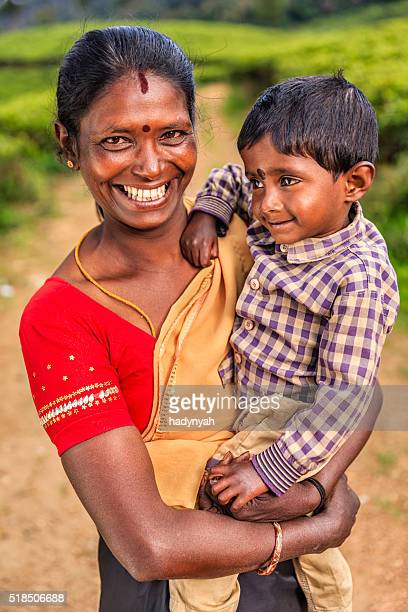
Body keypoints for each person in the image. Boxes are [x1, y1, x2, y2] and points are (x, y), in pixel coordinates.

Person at [19, 26, 363, 612]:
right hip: (160, 589)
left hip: (288, 587)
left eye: (173, 135)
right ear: (69, 142)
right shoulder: (61, 317)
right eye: (117, 140)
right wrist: (315, 525)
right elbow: (149, 542)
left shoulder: (261, 239)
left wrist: (310, 486)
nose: (151, 166)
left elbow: (358, 389)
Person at [178, 74, 400, 610]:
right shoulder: (282, 221)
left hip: (288, 427)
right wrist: (209, 210)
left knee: (224, 531)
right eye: (260, 182)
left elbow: (342, 401)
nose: (264, 204)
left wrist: (268, 468)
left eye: (288, 181)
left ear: (355, 182)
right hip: (243, 405)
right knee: (304, 551)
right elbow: (230, 177)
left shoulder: (357, 277)